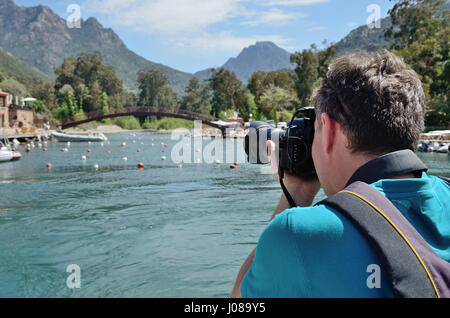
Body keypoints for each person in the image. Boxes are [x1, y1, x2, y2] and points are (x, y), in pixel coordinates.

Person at [231, 50, 450, 298]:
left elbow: (240, 298)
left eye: (316, 130)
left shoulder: (300, 233)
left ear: (330, 130)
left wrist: (296, 193)